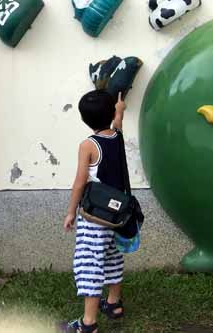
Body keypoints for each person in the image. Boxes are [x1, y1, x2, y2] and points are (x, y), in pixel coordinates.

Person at [61, 91, 128, 332]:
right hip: (117, 216)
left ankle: (88, 324)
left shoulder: (88, 145)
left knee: (90, 262)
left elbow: (80, 182)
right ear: (111, 113)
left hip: (95, 217)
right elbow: (118, 121)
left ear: (83, 119)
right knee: (112, 256)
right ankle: (113, 304)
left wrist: (71, 212)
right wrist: (120, 109)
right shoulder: (117, 136)